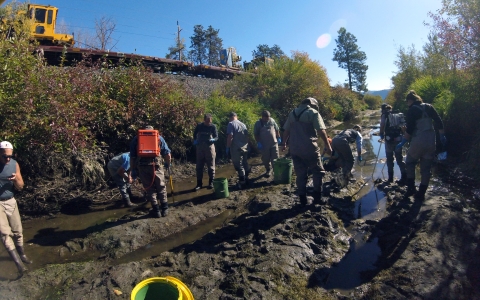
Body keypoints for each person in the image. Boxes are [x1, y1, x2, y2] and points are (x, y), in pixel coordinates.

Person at [282, 97, 332, 206]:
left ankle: (302, 199)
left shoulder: (292, 113)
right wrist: (328, 146)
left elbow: (286, 130)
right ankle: (317, 198)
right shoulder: (313, 113)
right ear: (312, 104)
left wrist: (284, 143)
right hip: (309, 148)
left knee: (300, 174)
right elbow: (321, 131)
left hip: (295, 149)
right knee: (317, 172)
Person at [396, 90, 446, 201]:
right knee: (426, 168)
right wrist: (442, 135)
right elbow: (438, 121)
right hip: (431, 140)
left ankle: (411, 189)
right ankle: (421, 193)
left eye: (407, 102)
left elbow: (410, 129)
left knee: (410, 162)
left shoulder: (412, 110)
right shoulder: (429, 107)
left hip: (418, 140)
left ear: (410, 100)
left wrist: (403, 141)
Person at [0, 141, 31, 275]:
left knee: (18, 230)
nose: (7, 159)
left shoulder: (14, 164)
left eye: (10, 156)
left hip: (11, 201)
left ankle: (22, 255)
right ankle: (19, 265)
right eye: (4, 156)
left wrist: (15, 180)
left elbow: (21, 186)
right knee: (5, 234)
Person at [130, 126, 172, 218]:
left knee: (150, 188)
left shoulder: (136, 138)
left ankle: (156, 210)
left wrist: (133, 170)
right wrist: (168, 164)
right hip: (156, 166)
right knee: (161, 187)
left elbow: (132, 157)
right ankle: (165, 209)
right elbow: (167, 154)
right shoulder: (159, 138)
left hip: (142, 166)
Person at [379, 103, 407, 185]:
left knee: (389, 158)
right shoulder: (398, 114)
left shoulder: (384, 115)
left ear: (383, 109)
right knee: (399, 158)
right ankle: (404, 177)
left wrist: (381, 133)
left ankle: (390, 179)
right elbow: (403, 126)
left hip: (389, 139)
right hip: (398, 139)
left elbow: (382, 125)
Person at [193, 114, 218, 190]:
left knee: (211, 166)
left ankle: (211, 182)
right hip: (200, 148)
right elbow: (194, 134)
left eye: (210, 121)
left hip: (210, 148)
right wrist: (195, 140)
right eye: (207, 121)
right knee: (199, 167)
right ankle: (199, 184)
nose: (209, 123)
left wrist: (213, 139)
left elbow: (217, 137)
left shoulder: (213, 127)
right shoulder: (199, 126)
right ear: (204, 120)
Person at [226, 112, 250, 189]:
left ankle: (242, 182)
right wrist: (246, 145)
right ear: (236, 116)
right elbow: (247, 136)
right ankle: (247, 178)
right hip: (244, 147)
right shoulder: (243, 124)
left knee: (239, 165)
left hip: (236, 148)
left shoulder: (231, 124)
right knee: (245, 162)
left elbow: (230, 136)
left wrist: (228, 147)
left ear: (230, 117)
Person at [254, 110, 281, 178]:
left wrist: (279, 137)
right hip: (264, 144)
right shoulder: (258, 123)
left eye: (268, 117)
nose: (267, 119)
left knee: (275, 158)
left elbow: (277, 129)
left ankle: (276, 172)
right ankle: (268, 170)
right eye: (266, 117)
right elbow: (256, 134)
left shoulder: (272, 121)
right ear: (262, 117)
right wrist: (258, 142)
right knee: (266, 159)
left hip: (273, 143)